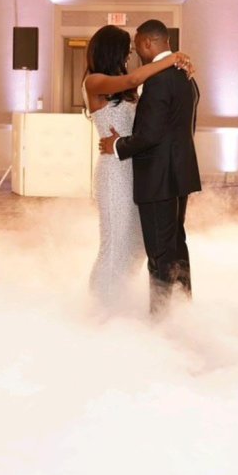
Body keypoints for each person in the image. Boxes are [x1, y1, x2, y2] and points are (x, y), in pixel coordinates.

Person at [82, 25, 194, 309]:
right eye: (126, 50)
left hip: (137, 170)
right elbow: (135, 76)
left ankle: (119, 297)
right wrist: (172, 57)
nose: (129, 54)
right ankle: (100, 306)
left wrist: (172, 63)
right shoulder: (94, 82)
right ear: (111, 50)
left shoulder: (127, 85)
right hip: (114, 172)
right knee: (114, 243)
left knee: (137, 245)